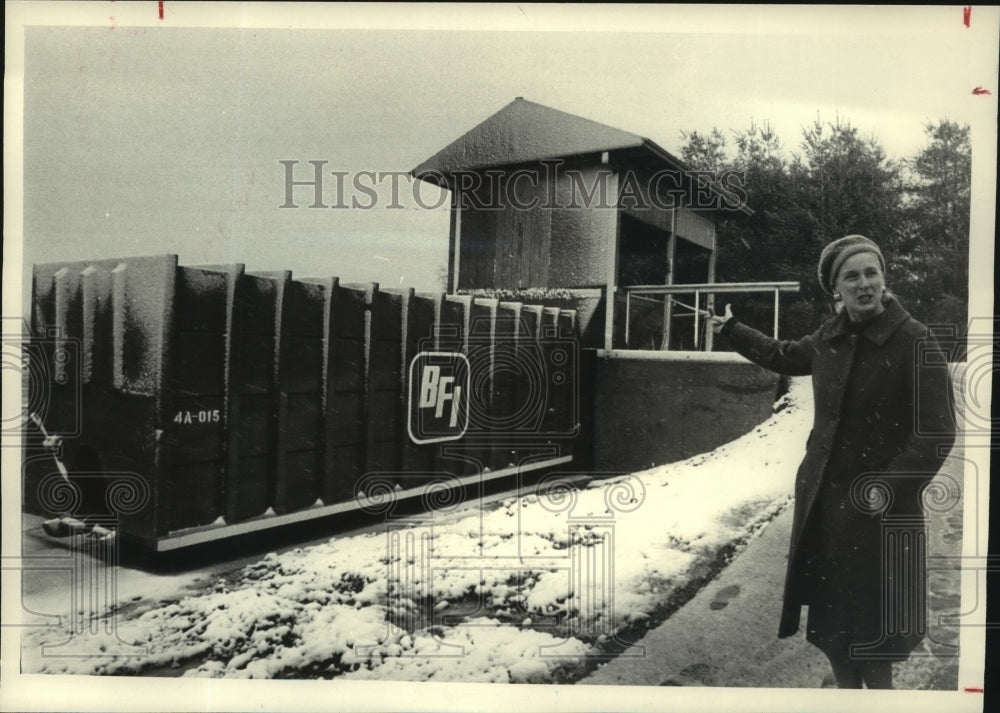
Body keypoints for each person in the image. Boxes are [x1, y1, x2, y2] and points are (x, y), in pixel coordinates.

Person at [709, 234, 957, 689]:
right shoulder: (830, 337)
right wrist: (731, 330)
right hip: (828, 509)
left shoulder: (914, 341)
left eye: (871, 273)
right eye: (852, 276)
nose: (864, 284)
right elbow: (782, 355)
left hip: (883, 517)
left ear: (884, 279)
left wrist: (886, 487)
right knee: (836, 632)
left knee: (876, 641)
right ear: (835, 290)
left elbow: (937, 433)